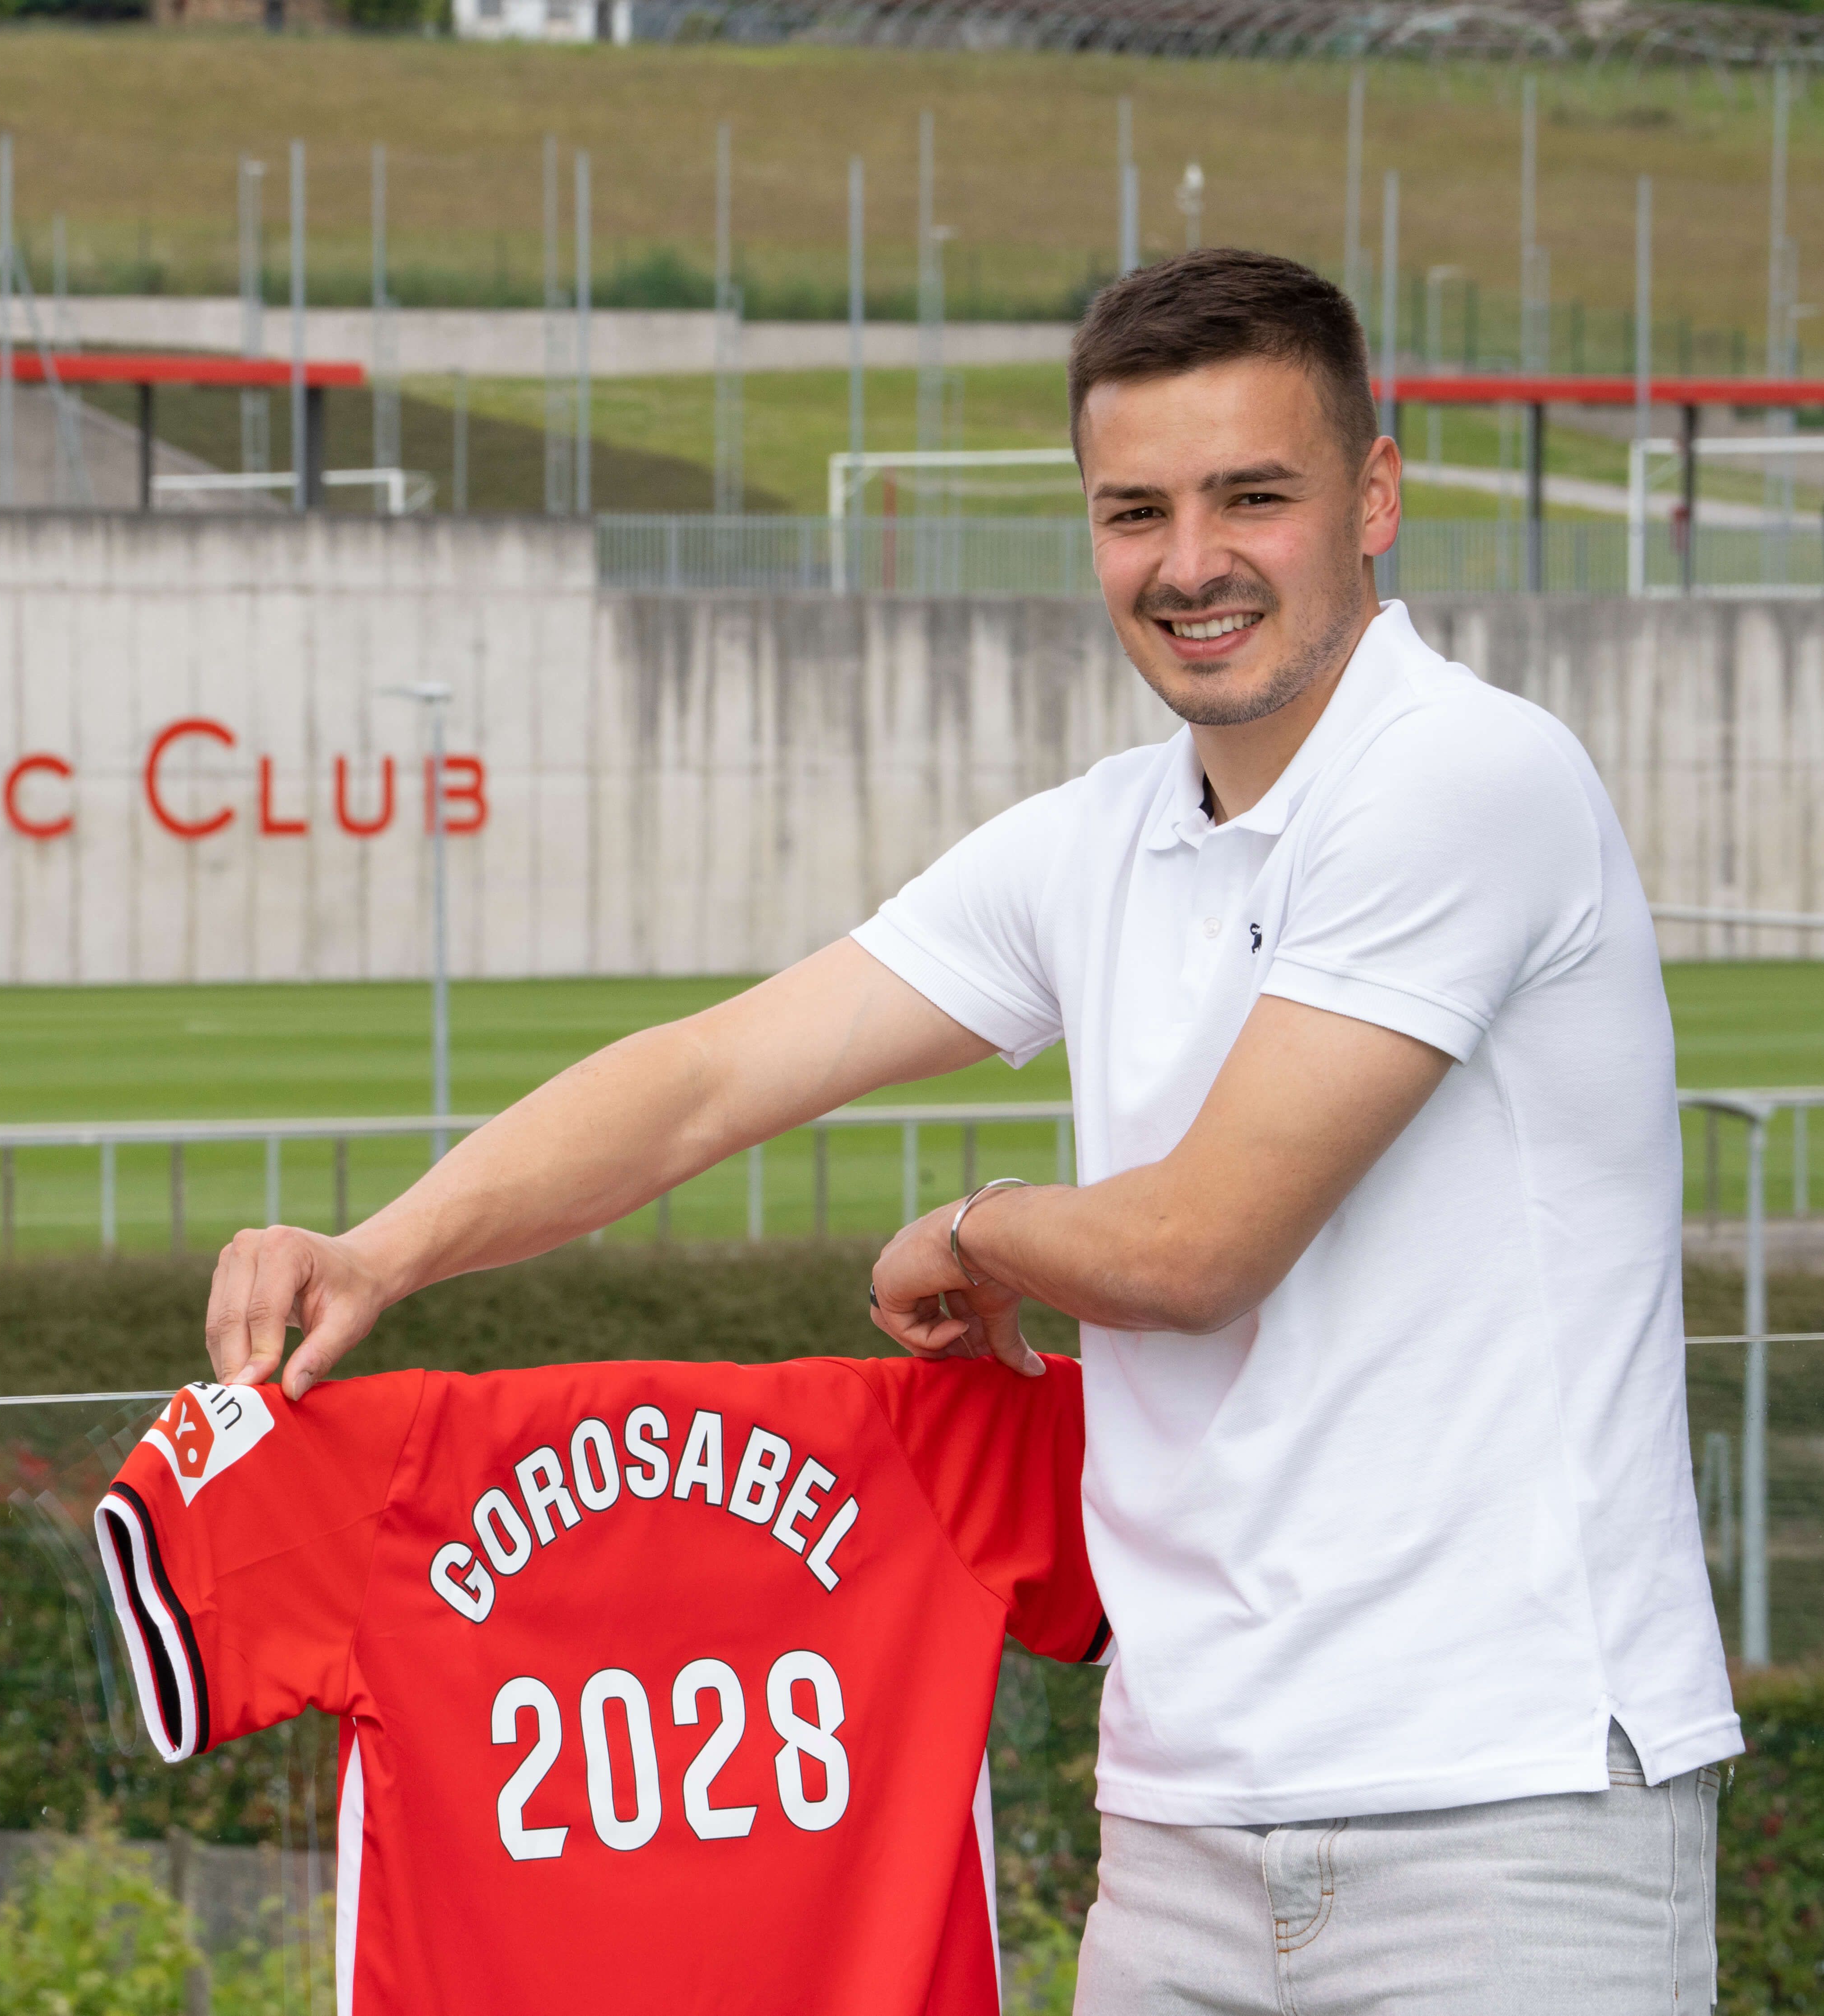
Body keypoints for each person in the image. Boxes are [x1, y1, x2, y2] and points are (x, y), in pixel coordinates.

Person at [201, 248, 1736, 2013]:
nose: (1189, 562)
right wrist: (378, 1249)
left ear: (1374, 496)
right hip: (1180, 1832)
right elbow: (707, 1075)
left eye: (1252, 496)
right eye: (1134, 511)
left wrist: (973, 1229)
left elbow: (1197, 1248)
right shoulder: (1102, 837)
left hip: (1511, 1808)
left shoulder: (1467, 771)